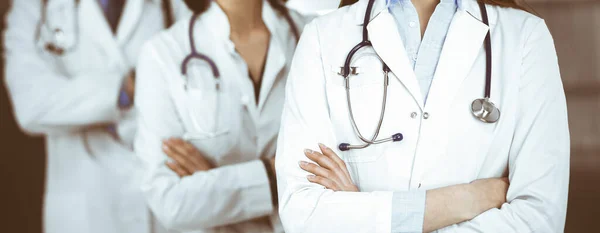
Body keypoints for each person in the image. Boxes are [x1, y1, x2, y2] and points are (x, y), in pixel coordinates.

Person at [276, 0, 569, 232]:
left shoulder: (525, 36)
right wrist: (464, 200)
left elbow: (540, 217)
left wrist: (365, 217)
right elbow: (304, 213)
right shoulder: (322, 37)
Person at [3, 0, 189, 232]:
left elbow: (194, 83)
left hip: (164, 203)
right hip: (84, 208)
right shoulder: (35, 6)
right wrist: (125, 88)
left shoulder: (173, 5)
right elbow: (30, 104)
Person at [133, 0, 309, 232]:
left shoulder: (316, 34)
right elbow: (170, 201)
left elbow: (350, 160)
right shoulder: (163, 54)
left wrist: (216, 182)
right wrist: (272, 175)